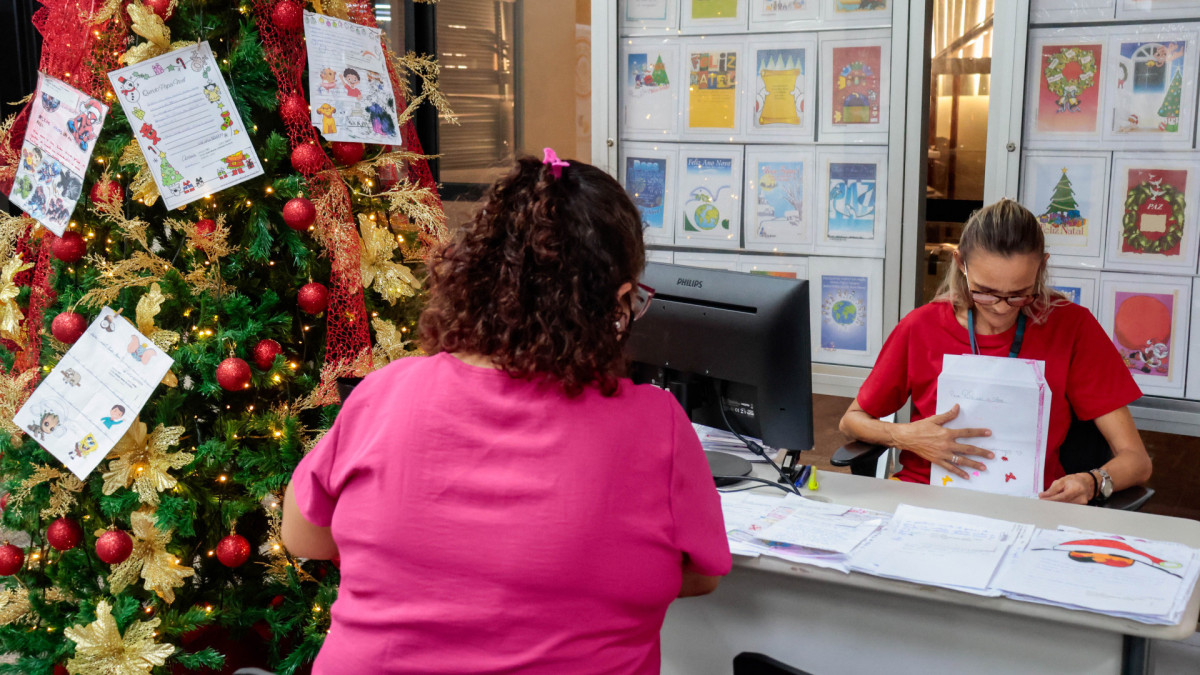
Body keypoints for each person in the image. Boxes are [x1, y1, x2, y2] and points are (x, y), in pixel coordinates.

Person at [282, 150, 731, 674]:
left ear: (477, 272)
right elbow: (700, 576)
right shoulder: (655, 425)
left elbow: (304, 536)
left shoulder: (387, 393)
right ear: (619, 299)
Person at [839, 199, 1152, 504]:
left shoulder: (1072, 328)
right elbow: (852, 421)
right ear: (961, 264)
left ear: (1042, 268)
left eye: (1019, 295)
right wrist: (906, 437)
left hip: (1032, 504)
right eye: (986, 293)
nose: (1002, 309)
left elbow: (1136, 460)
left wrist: (1091, 482)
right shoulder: (922, 326)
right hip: (926, 497)